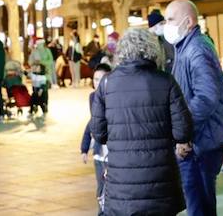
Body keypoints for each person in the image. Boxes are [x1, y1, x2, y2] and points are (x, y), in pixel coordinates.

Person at [89, 28, 193, 216]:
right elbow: (182, 131)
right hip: (160, 179)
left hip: (122, 181)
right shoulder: (166, 81)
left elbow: (98, 133)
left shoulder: (106, 83)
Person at [163, 0, 223, 216]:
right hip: (199, 141)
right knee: (199, 204)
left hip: (201, 143)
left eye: (170, 19)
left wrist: (183, 131)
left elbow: (206, 97)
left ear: (188, 21)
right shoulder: (185, 47)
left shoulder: (197, 49)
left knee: (199, 206)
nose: (167, 25)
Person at [80, 61, 112, 216]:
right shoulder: (93, 97)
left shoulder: (115, 96)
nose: (98, 83)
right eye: (95, 79)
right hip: (99, 150)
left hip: (113, 150)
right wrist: (84, 147)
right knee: (101, 185)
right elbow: (92, 121)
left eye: (102, 79)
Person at [148, 10, 175, 74]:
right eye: (161, 24)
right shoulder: (146, 42)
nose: (164, 26)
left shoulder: (165, 38)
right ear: (154, 27)